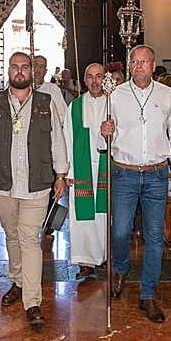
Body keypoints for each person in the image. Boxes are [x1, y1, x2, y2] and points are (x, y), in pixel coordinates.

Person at [0, 52, 67, 328]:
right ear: (8, 71)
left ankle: (32, 301)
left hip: (36, 183)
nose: (20, 71)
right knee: (12, 235)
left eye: (24, 67)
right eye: (14, 67)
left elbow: (57, 140)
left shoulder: (45, 102)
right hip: (3, 183)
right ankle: (17, 280)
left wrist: (61, 175)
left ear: (31, 71)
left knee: (29, 240)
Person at [100, 44, 171, 323]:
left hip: (156, 174)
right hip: (124, 173)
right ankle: (121, 267)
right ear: (129, 65)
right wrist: (105, 131)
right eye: (134, 62)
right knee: (120, 231)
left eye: (144, 61)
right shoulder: (115, 94)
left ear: (153, 65)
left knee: (154, 236)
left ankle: (147, 294)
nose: (138, 66)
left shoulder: (167, 94)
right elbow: (105, 132)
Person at [64, 62, 108, 279]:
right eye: (90, 77)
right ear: (84, 80)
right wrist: (68, 171)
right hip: (81, 168)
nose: (94, 81)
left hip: (106, 167)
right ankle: (86, 261)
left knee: (104, 216)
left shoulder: (113, 104)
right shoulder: (75, 107)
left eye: (99, 76)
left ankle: (105, 257)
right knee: (83, 219)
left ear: (105, 79)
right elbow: (67, 138)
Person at [32, 55, 68, 128]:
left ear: (45, 71)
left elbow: (63, 115)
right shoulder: (21, 89)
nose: (37, 70)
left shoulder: (53, 89)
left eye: (41, 67)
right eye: (35, 65)